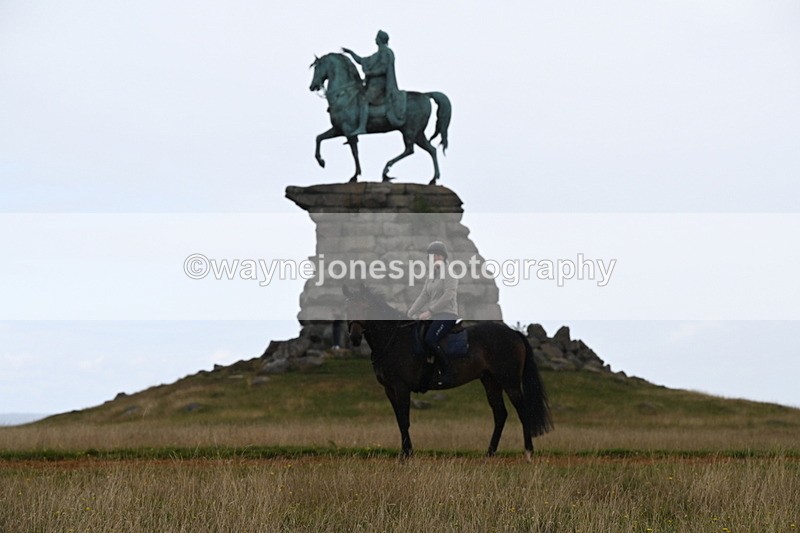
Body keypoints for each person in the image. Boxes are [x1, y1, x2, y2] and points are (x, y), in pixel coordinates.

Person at [407, 241, 459, 386]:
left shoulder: (449, 272)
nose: (435, 258)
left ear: (443, 257)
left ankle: (448, 372)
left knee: (430, 339)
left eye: (438, 255)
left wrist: (430, 311)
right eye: (432, 256)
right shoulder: (431, 276)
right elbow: (423, 296)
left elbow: (449, 294)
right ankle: (428, 372)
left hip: (447, 314)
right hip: (435, 315)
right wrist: (410, 313)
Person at [342, 30, 407, 135]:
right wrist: (350, 53)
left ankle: (362, 127)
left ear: (380, 40)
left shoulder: (386, 53)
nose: (375, 39)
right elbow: (361, 60)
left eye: (376, 37)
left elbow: (384, 69)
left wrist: (370, 73)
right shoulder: (377, 54)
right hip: (372, 85)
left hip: (380, 85)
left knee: (364, 100)